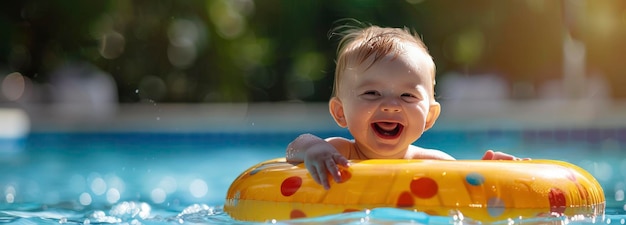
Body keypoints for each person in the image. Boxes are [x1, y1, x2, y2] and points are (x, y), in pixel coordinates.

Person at [286, 24, 524, 190]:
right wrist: (313, 149)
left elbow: (468, 188)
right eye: (372, 93)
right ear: (340, 112)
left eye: (407, 95)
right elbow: (294, 149)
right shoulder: (341, 153)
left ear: (430, 116)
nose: (391, 105)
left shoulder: (434, 163)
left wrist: (491, 172)